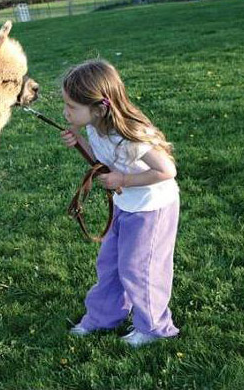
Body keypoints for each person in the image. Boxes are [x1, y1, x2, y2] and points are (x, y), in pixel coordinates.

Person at [60, 59, 180, 347]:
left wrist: (124, 180)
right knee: (111, 264)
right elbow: (103, 161)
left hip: (152, 209)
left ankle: (154, 328)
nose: (65, 112)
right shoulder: (95, 125)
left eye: (71, 107)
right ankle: (103, 316)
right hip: (127, 206)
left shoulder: (131, 134)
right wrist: (79, 143)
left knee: (139, 267)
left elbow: (166, 170)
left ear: (99, 108)